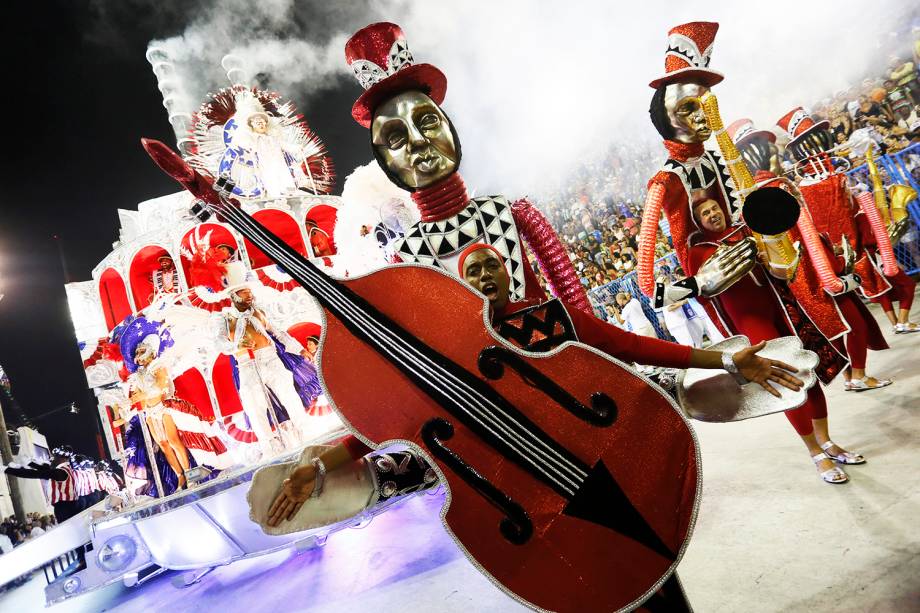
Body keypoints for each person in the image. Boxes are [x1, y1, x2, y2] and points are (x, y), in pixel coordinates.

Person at [267, 242, 806, 528]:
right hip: (528, 486)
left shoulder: (553, 316)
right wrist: (318, 465)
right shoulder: (448, 348)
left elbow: (632, 346)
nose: (481, 279)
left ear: (507, 273)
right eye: (470, 272)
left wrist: (726, 357)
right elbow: (396, 424)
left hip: (592, 457)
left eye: (488, 268)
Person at [344, 21, 591, 313]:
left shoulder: (512, 212)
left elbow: (577, 304)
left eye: (427, 121)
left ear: (449, 127)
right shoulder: (406, 260)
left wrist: (594, 353)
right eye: (396, 137)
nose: (419, 142)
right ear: (384, 160)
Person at [688, 196, 863, 483]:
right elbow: (706, 288)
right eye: (705, 213)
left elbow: (782, 271)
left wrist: (773, 248)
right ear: (699, 222)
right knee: (785, 381)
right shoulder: (698, 253)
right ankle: (815, 453)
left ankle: (827, 441)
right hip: (752, 322)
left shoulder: (748, 231)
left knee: (810, 374)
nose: (712, 215)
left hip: (783, 308)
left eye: (715, 209)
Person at [212, 268, 322, 456]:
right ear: (234, 295)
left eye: (250, 291)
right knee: (255, 407)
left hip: (271, 359)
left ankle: (308, 439)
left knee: (290, 397)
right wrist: (237, 345)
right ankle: (271, 449)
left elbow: (279, 333)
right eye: (245, 292)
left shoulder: (259, 312)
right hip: (247, 364)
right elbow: (219, 343)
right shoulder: (223, 318)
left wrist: (300, 349)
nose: (250, 295)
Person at [3, 446, 81, 522]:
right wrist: (30, 463)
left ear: (61, 458)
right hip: (70, 506)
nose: (53, 459)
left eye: (55, 457)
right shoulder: (68, 469)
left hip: (64, 508)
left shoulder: (60, 472)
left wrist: (7, 470)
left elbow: (35, 474)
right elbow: (47, 470)